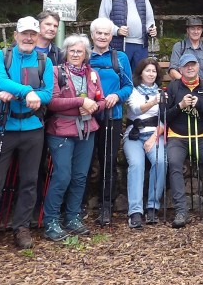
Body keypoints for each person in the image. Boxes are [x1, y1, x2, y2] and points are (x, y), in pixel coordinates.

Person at [0, 16, 54, 257]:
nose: (28, 38)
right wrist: (28, 92)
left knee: (29, 181)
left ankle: (22, 228)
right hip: (4, 127)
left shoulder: (44, 61)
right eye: (24, 34)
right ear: (16, 35)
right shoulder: (1, 56)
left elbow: (48, 94)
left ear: (37, 37)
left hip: (33, 128)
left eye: (32, 34)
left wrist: (22, 94)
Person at [42, 35, 103, 242]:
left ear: (86, 54)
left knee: (80, 176)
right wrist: (81, 101)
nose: (76, 54)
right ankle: (51, 220)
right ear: (65, 52)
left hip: (87, 129)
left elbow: (101, 100)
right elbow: (52, 101)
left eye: (80, 51)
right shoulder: (56, 72)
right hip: (61, 129)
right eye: (72, 51)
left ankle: (73, 216)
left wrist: (95, 106)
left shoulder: (92, 74)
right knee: (62, 176)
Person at [163, 54, 203, 227]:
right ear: (180, 69)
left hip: (202, 136)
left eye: (193, 65)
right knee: (174, 163)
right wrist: (180, 106)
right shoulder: (174, 87)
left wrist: (200, 107)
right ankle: (181, 211)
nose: (190, 68)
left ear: (198, 66)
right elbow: (164, 116)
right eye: (186, 66)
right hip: (177, 137)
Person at [88, 17, 134, 226]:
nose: (102, 36)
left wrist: (117, 96)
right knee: (85, 162)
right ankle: (79, 206)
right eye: (99, 33)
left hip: (111, 117)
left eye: (106, 33)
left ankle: (106, 205)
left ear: (111, 36)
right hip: (86, 117)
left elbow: (128, 86)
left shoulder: (119, 57)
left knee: (108, 161)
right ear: (92, 35)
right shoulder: (84, 55)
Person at [123, 58, 167, 228]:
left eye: (154, 71)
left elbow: (165, 119)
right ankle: (135, 211)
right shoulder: (133, 91)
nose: (151, 74)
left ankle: (152, 207)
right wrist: (154, 101)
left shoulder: (162, 93)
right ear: (141, 73)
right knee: (136, 164)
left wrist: (152, 139)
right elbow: (136, 109)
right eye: (147, 70)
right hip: (134, 134)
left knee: (160, 161)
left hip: (154, 134)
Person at [98, 0, 157, 68]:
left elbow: (149, 20)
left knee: (140, 75)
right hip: (119, 45)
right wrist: (117, 30)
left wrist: (151, 29)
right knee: (120, 74)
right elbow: (102, 20)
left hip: (141, 46)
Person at [168, 17, 203, 81]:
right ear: (187, 30)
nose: (196, 32)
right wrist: (187, 83)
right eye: (192, 29)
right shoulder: (179, 46)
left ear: (202, 30)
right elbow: (172, 71)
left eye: (198, 29)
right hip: (184, 84)